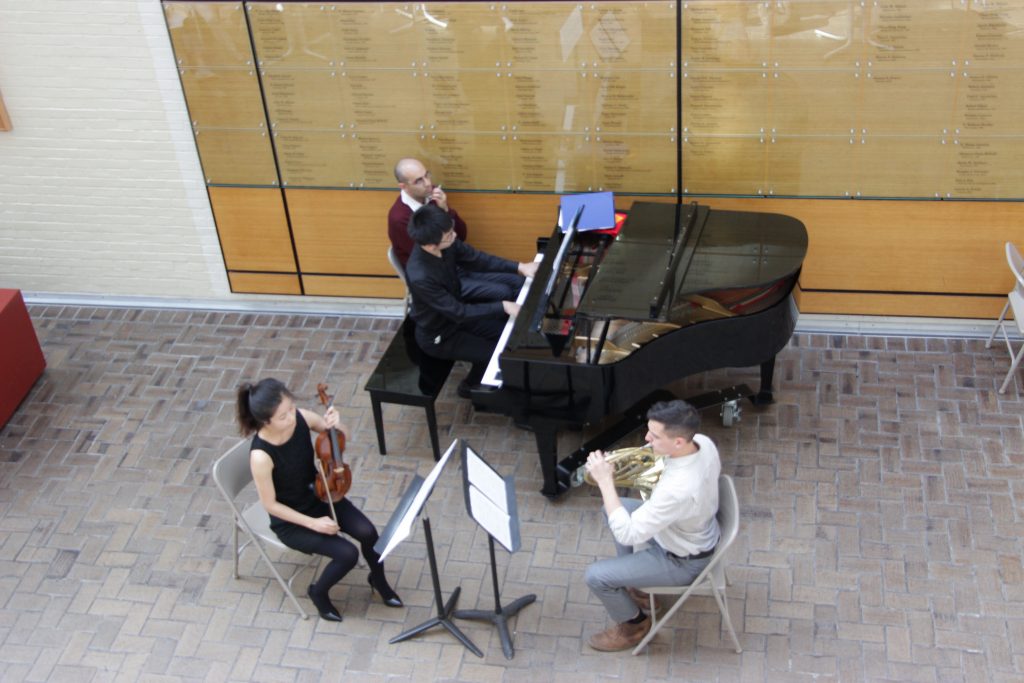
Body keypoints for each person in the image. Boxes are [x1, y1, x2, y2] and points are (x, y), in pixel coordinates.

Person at [236, 378, 402, 622]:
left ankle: (378, 580)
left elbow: (339, 437)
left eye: (291, 408)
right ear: (265, 420)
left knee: (368, 533)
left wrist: (337, 424)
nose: (291, 417)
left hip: (321, 493)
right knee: (347, 554)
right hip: (291, 520)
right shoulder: (261, 456)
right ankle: (318, 592)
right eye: (283, 416)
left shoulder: (302, 417)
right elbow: (270, 505)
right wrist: (313, 524)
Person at [582, 400, 721, 652]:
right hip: (687, 532)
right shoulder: (703, 442)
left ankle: (634, 625)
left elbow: (627, 533)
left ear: (678, 442)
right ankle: (634, 586)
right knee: (614, 508)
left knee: (595, 576)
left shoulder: (677, 490)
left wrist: (605, 481)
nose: (647, 438)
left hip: (682, 560)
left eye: (654, 436)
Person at [405, 202, 538, 397]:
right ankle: (471, 387)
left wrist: (519, 267)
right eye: (449, 235)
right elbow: (458, 312)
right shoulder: (421, 276)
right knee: (495, 353)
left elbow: (477, 258)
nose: (455, 236)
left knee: (508, 334)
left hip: (458, 318)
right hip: (441, 335)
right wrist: (503, 306)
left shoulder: (446, 241)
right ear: (431, 245)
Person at [388, 157, 523, 302]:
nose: (428, 183)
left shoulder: (431, 196)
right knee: (504, 292)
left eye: (427, 175)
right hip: (440, 279)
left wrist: (445, 209)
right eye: (418, 181)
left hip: (456, 264)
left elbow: (461, 236)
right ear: (403, 186)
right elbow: (428, 258)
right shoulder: (400, 218)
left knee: (519, 282)